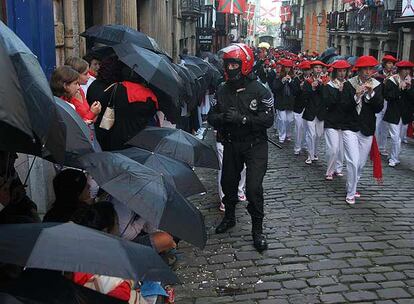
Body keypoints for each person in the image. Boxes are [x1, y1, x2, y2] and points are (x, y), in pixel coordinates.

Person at [208, 43, 274, 252]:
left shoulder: (260, 89)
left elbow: (268, 118)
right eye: (228, 64)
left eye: (235, 63)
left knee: (254, 188)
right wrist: (223, 119)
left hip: (255, 145)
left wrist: (243, 119)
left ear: (244, 64)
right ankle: (229, 217)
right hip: (231, 143)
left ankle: (257, 229)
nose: (230, 68)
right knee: (228, 183)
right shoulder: (222, 89)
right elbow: (211, 116)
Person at [341, 56, 384, 205]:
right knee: (352, 160)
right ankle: (351, 192)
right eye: (364, 69)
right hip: (349, 127)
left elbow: (378, 108)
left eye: (370, 69)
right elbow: (344, 106)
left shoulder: (377, 85)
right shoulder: (349, 84)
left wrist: (371, 94)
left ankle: (352, 184)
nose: (367, 72)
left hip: (367, 128)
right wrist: (357, 95)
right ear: (358, 70)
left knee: (360, 163)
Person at [322, 60, 350, 180]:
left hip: (344, 121)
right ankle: (329, 170)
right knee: (333, 148)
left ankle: (338, 169)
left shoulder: (348, 85)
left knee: (341, 149)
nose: (342, 73)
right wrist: (339, 92)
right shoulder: (329, 86)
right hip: (331, 120)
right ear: (335, 72)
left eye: (344, 71)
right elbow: (329, 103)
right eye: (339, 71)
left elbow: (350, 103)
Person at [383, 60, 414, 167]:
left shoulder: (411, 81)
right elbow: (387, 96)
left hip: (404, 114)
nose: (406, 72)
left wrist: (409, 88)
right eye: (404, 69)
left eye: (408, 69)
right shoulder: (392, 80)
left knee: (400, 138)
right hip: (393, 113)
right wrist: (399, 89)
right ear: (400, 70)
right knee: (395, 137)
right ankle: (393, 158)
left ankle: (393, 155)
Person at [302, 61, 330, 164]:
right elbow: (304, 97)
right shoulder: (307, 81)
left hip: (321, 112)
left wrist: (321, 85)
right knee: (311, 135)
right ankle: (310, 155)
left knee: (318, 135)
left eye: (320, 67)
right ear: (312, 69)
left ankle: (314, 152)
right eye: (316, 67)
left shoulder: (326, 81)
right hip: (310, 111)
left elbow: (326, 96)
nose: (318, 69)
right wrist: (312, 88)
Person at [271, 59, 299, 143]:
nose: (287, 69)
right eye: (286, 67)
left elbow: (296, 91)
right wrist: (282, 82)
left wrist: (290, 81)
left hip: (290, 102)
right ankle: (281, 135)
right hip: (281, 101)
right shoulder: (278, 77)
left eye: (289, 67)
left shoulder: (294, 78)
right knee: (282, 119)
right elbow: (274, 89)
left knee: (290, 120)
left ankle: (288, 134)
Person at [375, 54, 398, 155]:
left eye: (392, 63)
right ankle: (374, 147)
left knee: (385, 127)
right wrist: (383, 83)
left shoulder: (395, 77)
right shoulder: (377, 75)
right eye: (389, 63)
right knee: (376, 125)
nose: (391, 65)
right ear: (384, 64)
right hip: (379, 102)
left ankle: (382, 147)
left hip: (389, 103)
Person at [293, 60, 311, 155]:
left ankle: (305, 145)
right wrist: (300, 88)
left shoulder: (312, 80)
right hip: (298, 107)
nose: (307, 71)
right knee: (299, 128)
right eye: (305, 69)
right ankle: (297, 147)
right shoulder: (297, 79)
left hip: (308, 107)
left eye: (308, 69)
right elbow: (293, 93)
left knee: (307, 129)